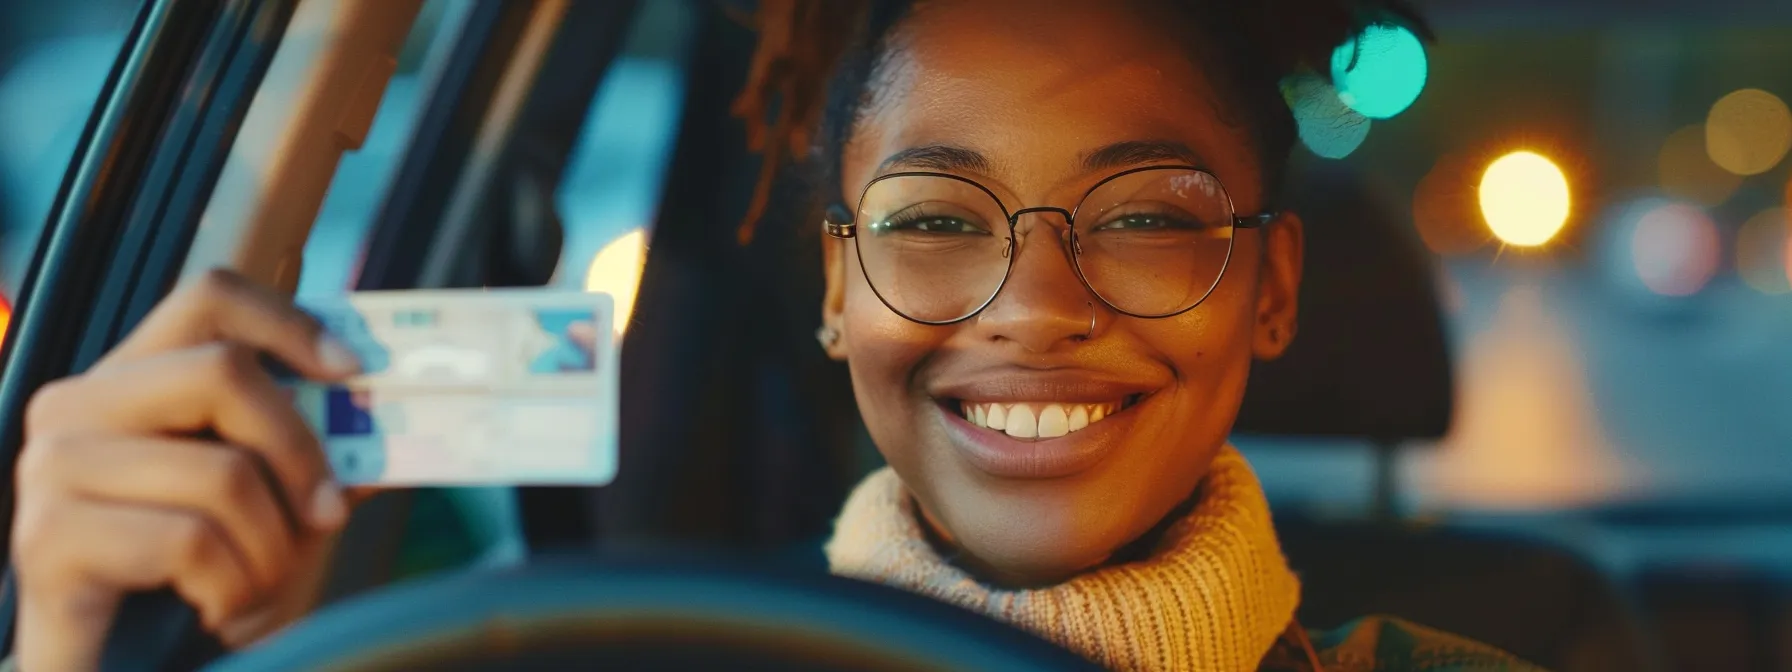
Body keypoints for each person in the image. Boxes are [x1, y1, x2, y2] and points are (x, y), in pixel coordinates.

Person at [4, 1, 1544, 670]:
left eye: (1144, 214)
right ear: (832, 292)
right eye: (934, 221)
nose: (1032, 304)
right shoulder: (598, 667)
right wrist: (75, 648)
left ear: (1272, 291)